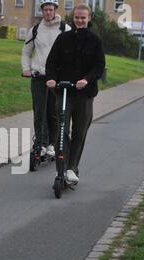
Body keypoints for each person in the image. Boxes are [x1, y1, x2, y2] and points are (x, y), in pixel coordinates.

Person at [45, 3, 105, 183]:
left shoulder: (95, 41)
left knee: (79, 131)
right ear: (73, 18)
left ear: (89, 19)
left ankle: (72, 168)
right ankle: (61, 170)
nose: (80, 20)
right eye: (77, 17)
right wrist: (51, 78)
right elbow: (51, 62)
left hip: (85, 94)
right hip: (63, 92)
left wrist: (86, 79)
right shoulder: (63, 38)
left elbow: (99, 66)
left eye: (83, 18)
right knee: (61, 131)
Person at [22, 0, 70, 158]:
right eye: (45, 10)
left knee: (54, 112)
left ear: (55, 10)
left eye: (50, 9)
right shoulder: (35, 30)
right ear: (41, 11)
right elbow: (26, 52)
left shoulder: (65, 29)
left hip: (56, 78)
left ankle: (52, 143)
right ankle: (41, 143)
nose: (48, 12)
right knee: (39, 111)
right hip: (38, 76)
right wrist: (26, 69)